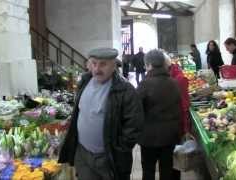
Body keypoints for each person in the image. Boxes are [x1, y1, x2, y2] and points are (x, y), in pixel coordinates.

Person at [58, 47, 144, 180]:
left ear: (114, 65)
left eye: (103, 64)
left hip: (109, 159)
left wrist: (118, 149)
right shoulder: (84, 82)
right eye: (94, 63)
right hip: (83, 155)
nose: (97, 69)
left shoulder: (125, 90)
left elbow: (134, 126)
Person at [137, 49, 181, 180]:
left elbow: (137, 110)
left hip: (149, 137)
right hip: (170, 136)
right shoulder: (174, 83)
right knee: (167, 170)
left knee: (148, 170)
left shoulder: (144, 84)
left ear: (149, 65)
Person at [165, 55, 190, 180]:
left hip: (173, 124)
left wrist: (185, 128)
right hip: (171, 125)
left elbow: (184, 105)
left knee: (172, 158)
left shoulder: (178, 79)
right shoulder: (173, 76)